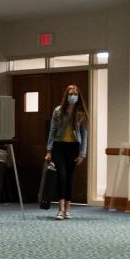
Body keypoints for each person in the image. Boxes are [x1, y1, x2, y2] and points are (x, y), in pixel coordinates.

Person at [44, 85, 88, 220]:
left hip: (73, 148)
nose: (73, 97)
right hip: (59, 147)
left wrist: (82, 154)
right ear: (66, 96)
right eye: (70, 94)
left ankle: (68, 209)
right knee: (61, 176)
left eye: (75, 94)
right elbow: (52, 130)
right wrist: (49, 150)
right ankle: (60, 209)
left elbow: (84, 134)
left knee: (69, 178)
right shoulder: (58, 111)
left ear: (78, 96)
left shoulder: (81, 113)